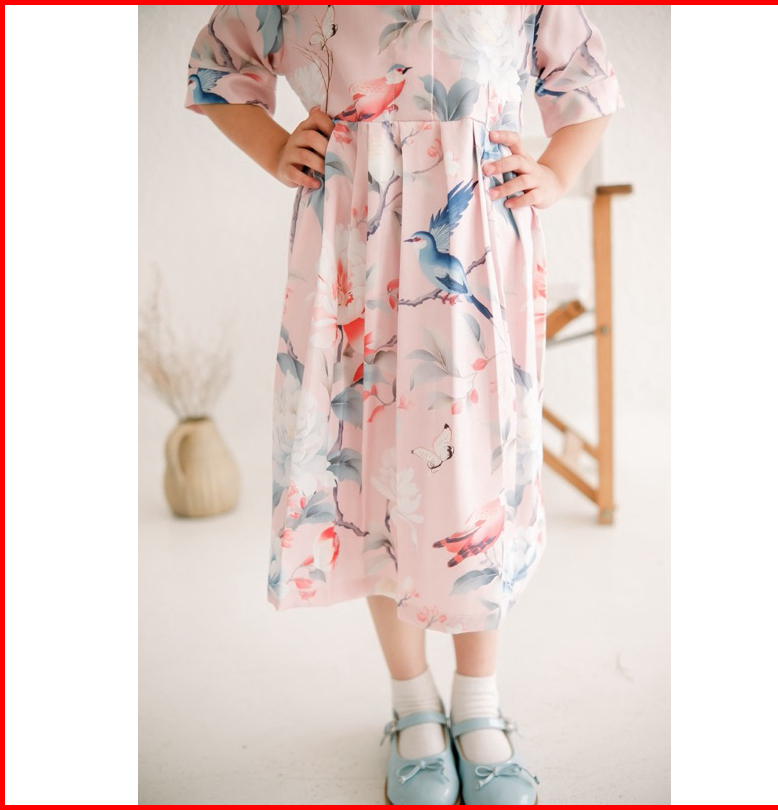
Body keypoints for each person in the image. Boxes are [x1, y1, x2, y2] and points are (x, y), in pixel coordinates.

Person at [184, 5, 623, 805]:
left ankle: (478, 705)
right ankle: (411, 703)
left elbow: (585, 78)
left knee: (471, 480)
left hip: (476, 241)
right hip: (354, 242)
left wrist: (558, 172)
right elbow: (219, 64)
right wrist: (275, 146)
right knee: (377, 473)